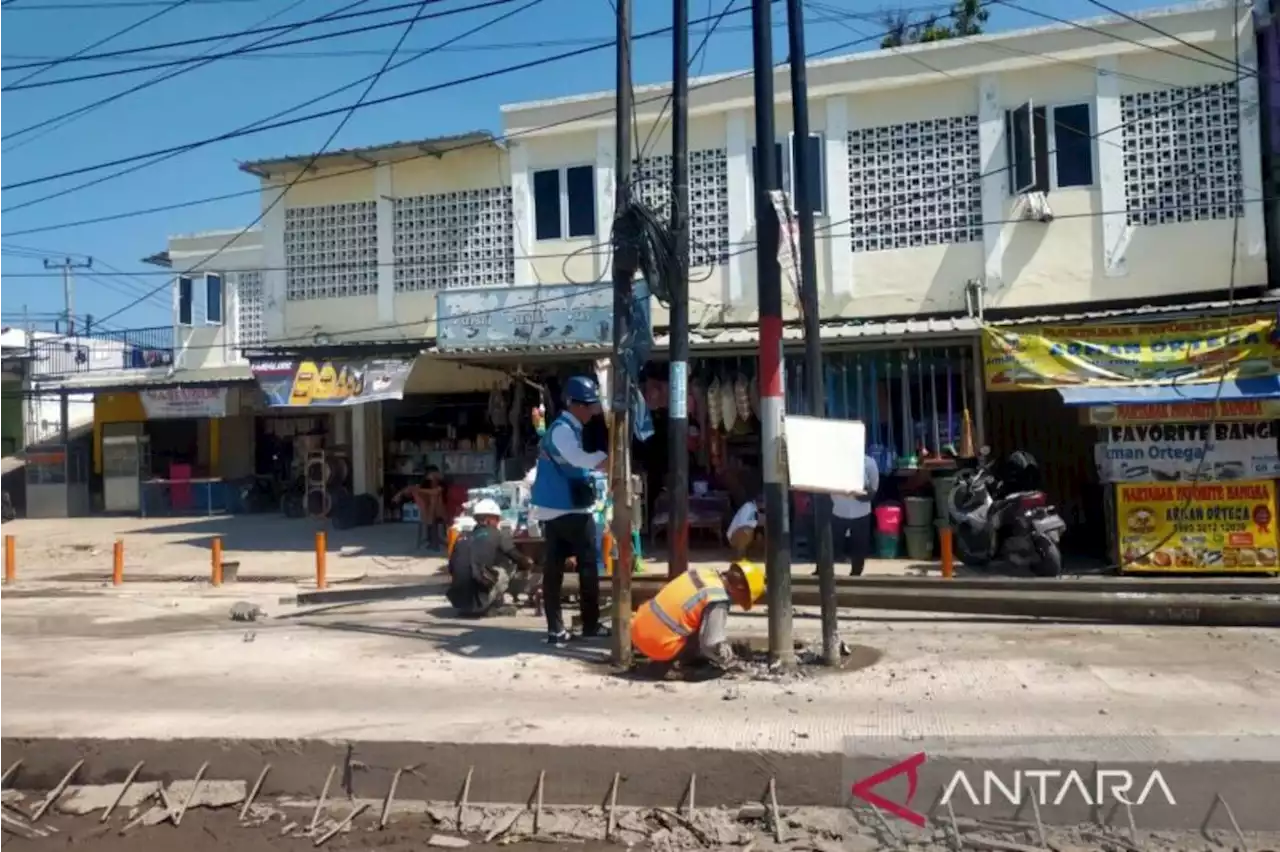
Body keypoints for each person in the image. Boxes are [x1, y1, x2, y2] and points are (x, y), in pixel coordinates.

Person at [530, 375, 611, 647]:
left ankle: (556, 630)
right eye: (588, 406)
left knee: (554, 572)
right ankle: (589, 625)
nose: (591, 411)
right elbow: (577, 459)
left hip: (554, 510)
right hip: (568, 510)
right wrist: (604, 460)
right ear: (573, 404)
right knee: (588, 567)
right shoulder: (563, 429)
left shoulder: (564, 427)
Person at [631, 560, 765, 676]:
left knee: (693, 620)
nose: (738, 602)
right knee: (709, 662)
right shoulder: (717, 598)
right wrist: (728, 660)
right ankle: (676, 669)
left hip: (638, 628)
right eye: (744, 599)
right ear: (741, 589)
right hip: (658, 643)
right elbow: (710, 644)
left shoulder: (703, 573)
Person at [446, 499, 534, 617]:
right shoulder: (497, 534)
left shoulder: (462, 537)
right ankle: (492, 605)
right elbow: (517, 558)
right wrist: (530, 563)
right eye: (497, 519)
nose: (498, 522)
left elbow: (452, 568)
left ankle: (472, 605)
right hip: (479, 601)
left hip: (457, 602)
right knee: (507, 565)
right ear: (489, 520)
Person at [828, 453, 880, 577]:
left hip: (861, 512)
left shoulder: (869, 462)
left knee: (859, 548)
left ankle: (856, 574)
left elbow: (873, 490)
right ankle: (824, 573)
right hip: (838, 510)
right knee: (832, 547)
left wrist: (856, 493)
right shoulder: (835, 461)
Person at [393, 466, 448, 550]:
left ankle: (432, 535)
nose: (430, 477)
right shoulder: (426, 483)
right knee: (428, 501)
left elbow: (436, 492)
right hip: (428, 509)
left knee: (434, 498)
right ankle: (432, 537)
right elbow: (413, 488)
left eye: (432, 475)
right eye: (429, 476)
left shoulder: (442, 482)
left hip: (442, 509)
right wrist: (400, 494)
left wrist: (419, 490)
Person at [726, 494, 764, 560]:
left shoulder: (754, 508)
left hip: (742, 531)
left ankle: (751, 556)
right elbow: (744, 524)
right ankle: (739, 556)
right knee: (747, 530)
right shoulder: (749, 507)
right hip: (735, 535)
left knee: (759, 534)